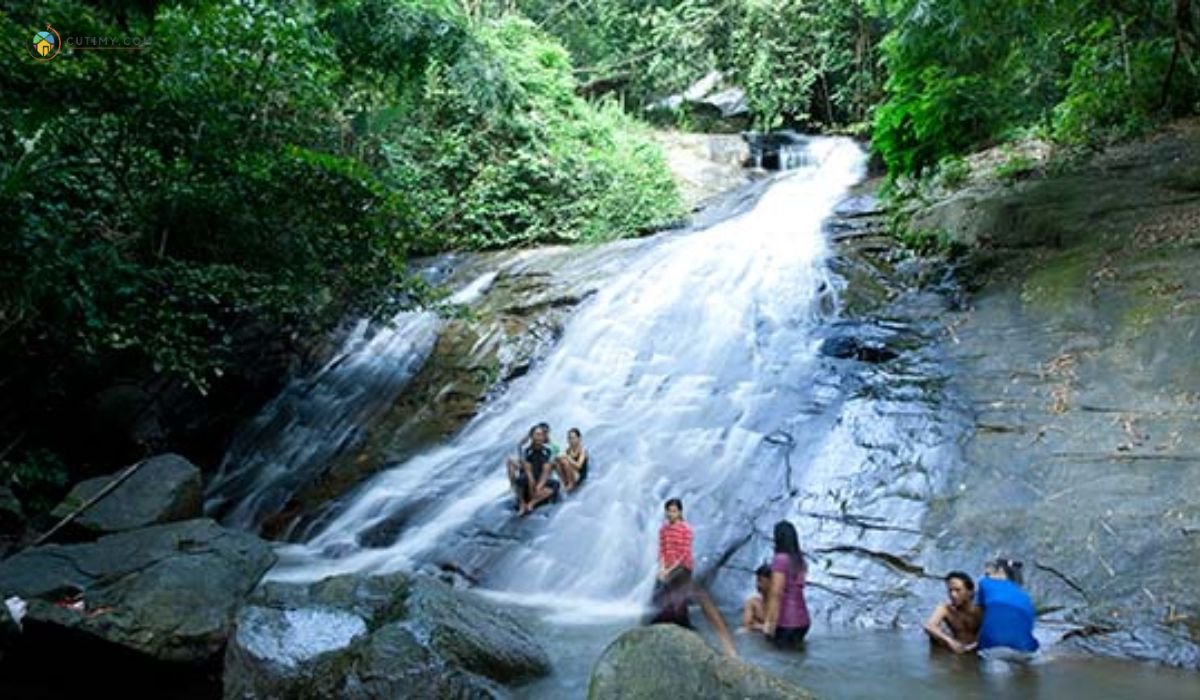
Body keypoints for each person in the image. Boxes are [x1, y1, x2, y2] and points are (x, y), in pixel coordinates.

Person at [647, 498, 737, 657]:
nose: (671, 514)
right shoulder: (664, 530)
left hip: (682, 568)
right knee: (667, 596)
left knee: (679, 597)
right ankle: (670, 626)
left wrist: (669, 569)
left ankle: (682, 627)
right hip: (667, 567)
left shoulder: (686, 529)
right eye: (668, 510)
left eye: (674, 511)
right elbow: (662, 550)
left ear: (680, 512)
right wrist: (662, 567)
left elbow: (683, 553)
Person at [975, 558, 1039, 665]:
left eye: (988, 573)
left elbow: (979, 616)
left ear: (1000, 570)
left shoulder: (985, 583)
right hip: (1025, 651)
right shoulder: (1025, 596)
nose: (986, 576)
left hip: (993, 648)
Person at [762, 520, 810, 649]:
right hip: (803, 621)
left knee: (780, 660)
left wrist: (769, 622)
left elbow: (776, 593)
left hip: (786, 622)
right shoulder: (800, 560)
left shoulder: (780, 559)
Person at [924, 571, 982, 653]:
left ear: (970, 591)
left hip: (977, 651)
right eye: (950, 591)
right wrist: (950, 641)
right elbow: (929, 626)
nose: (953, 595)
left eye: (958, 590)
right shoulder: (945, 609)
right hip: (955, 649)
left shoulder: (981, 610)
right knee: (934, 637)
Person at [507, 425, 559, 516]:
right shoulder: (526, 450)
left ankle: (532, 503)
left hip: (539, 476)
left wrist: (539, 486)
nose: (539, 437)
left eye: (541, 435)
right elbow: (527, 469)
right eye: (537, 434)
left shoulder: (547, 450)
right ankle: (522, 503)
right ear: (531, 436)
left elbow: (546, 471)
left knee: (555, 484)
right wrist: (532, 484)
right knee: (520, 480)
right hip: (528, 476)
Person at [740, 564, 772, 632]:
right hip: (756, 635)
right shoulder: (753, 602)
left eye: (760, 580)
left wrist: (755, 624)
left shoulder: (781, 604)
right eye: (757, 580)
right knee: (741, 631)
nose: (757, 584)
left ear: (771, 582)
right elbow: (746, 624)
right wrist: (762, 627)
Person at [557, 427, 589, 492]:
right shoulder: (568, 450)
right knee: (556, 461)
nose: (571, 440)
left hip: (579, 476)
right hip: (571, 474)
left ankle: (571, 485)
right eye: (569, 438)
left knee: (565, 461)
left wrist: (567, 457)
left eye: (573, 438)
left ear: (579, 439)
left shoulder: (583, 451)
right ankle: (565, 482)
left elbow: (579, 466)